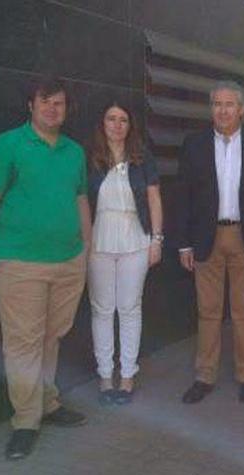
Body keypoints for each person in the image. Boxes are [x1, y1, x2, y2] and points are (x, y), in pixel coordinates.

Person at [0, 77, 89, 460]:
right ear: (31, 105)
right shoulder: (7, 145)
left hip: (68, 261)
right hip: (21, 262)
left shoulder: (74, 151)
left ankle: (47, 402)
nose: (53, 109)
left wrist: (85, 251)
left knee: (50, 337)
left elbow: (80, 201)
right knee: (23, 342)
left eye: (59, 103)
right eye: (45, 102)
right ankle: (25, 419)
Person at [176, 81, 244, 405]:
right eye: (217, 104)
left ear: (242, 109)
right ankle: (204, 377)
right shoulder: (194, 144)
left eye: (229, 104)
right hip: (207, 236)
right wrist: (184, 244)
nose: (222, 110)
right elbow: (184, 196)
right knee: (208, 311)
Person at [86, 102, 163, 406]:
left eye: (123, 119)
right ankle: (105, 376)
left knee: (130, 307)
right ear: (102, 123)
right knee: (102, 309)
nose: (117, 125)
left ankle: (127, 375)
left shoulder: (141, 157)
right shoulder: (89, 158)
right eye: (111, 119)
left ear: (130, 125)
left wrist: (157, 240)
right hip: (98, 239)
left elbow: (155, 199)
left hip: (136, 238)